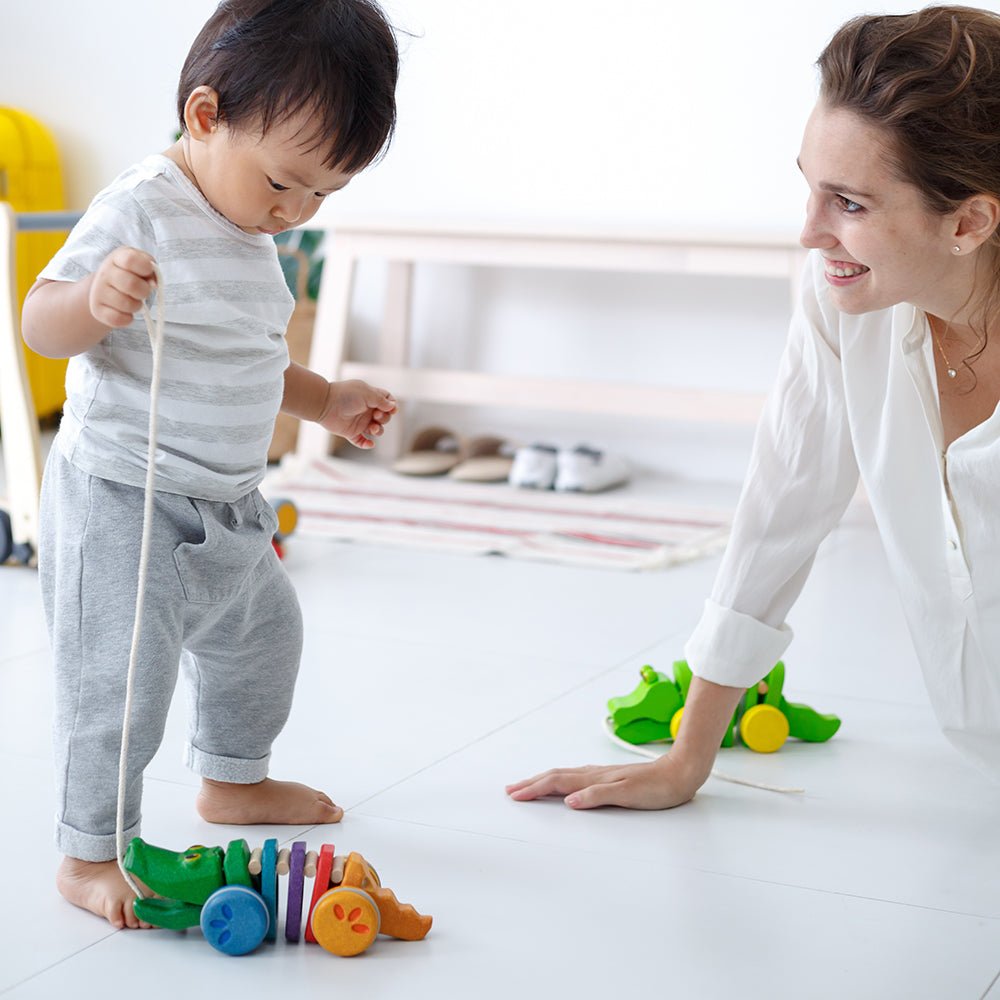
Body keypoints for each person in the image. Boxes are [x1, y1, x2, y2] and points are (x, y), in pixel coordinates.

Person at [507, 5, 1000, 811]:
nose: (809, 231)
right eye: (808, 187)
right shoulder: (848, 301)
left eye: (850, 203)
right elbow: (784, 502)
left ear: (969, 221)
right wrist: (686, 757)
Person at [21, 0, 399, 928]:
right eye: (284, 182)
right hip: (125, 496)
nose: (296, 211)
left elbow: (254, 358)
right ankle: (87, 850)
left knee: (263, 643)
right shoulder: (140, 206)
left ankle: (233, 780)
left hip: (229, 502)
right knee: (120, 683)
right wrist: (96, 304)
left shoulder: (257, 236)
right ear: (204, 115)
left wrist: (329, 401)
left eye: (323, 195)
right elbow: (39, 318)